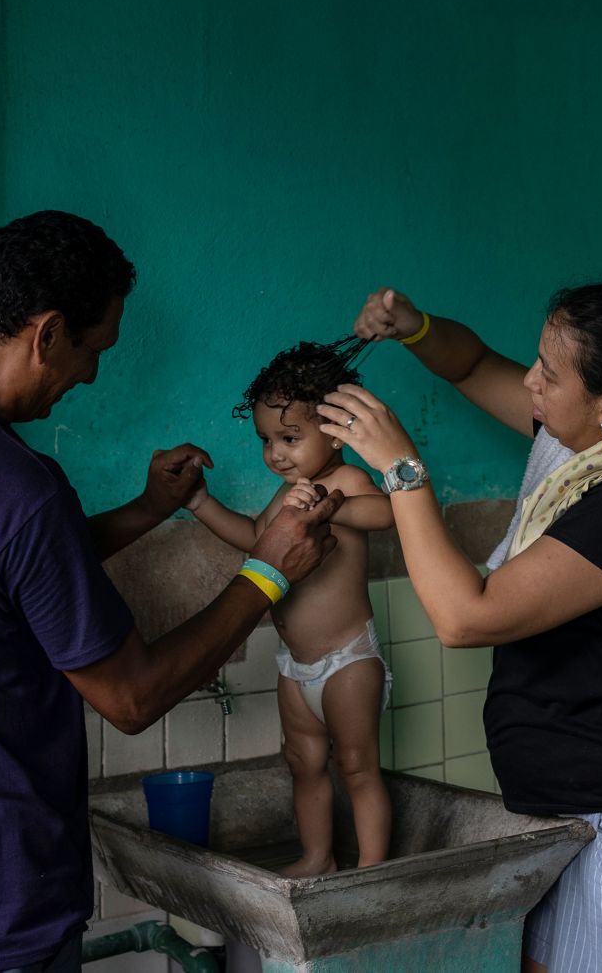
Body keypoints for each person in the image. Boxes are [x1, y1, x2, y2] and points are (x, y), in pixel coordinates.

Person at [0, 211, 343, 973]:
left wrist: (149, 511)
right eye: (94, 350)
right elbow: (132, 696)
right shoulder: (13, 482)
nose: (90, 375)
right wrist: (268, 569)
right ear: (48, 333)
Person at [329, 284, 602, 973]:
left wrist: (401, 469)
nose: (529, 381)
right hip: (578, 813)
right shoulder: (589, 442)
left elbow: (467, 616)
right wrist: (415, 326)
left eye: (549, 374)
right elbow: (469, 366)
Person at [186, 341, 395, 876]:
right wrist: (201, 503)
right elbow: (255, 538)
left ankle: (373, 869)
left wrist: (332, 508)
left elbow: (389, 513)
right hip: (295, 664)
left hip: (348, 660)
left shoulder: (345, 483)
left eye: (290, 438)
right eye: (267, 441)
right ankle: (316, 857)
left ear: (336, 429)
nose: (276, 453)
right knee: (303, 764)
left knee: (357, 767)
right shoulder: (287, 493)